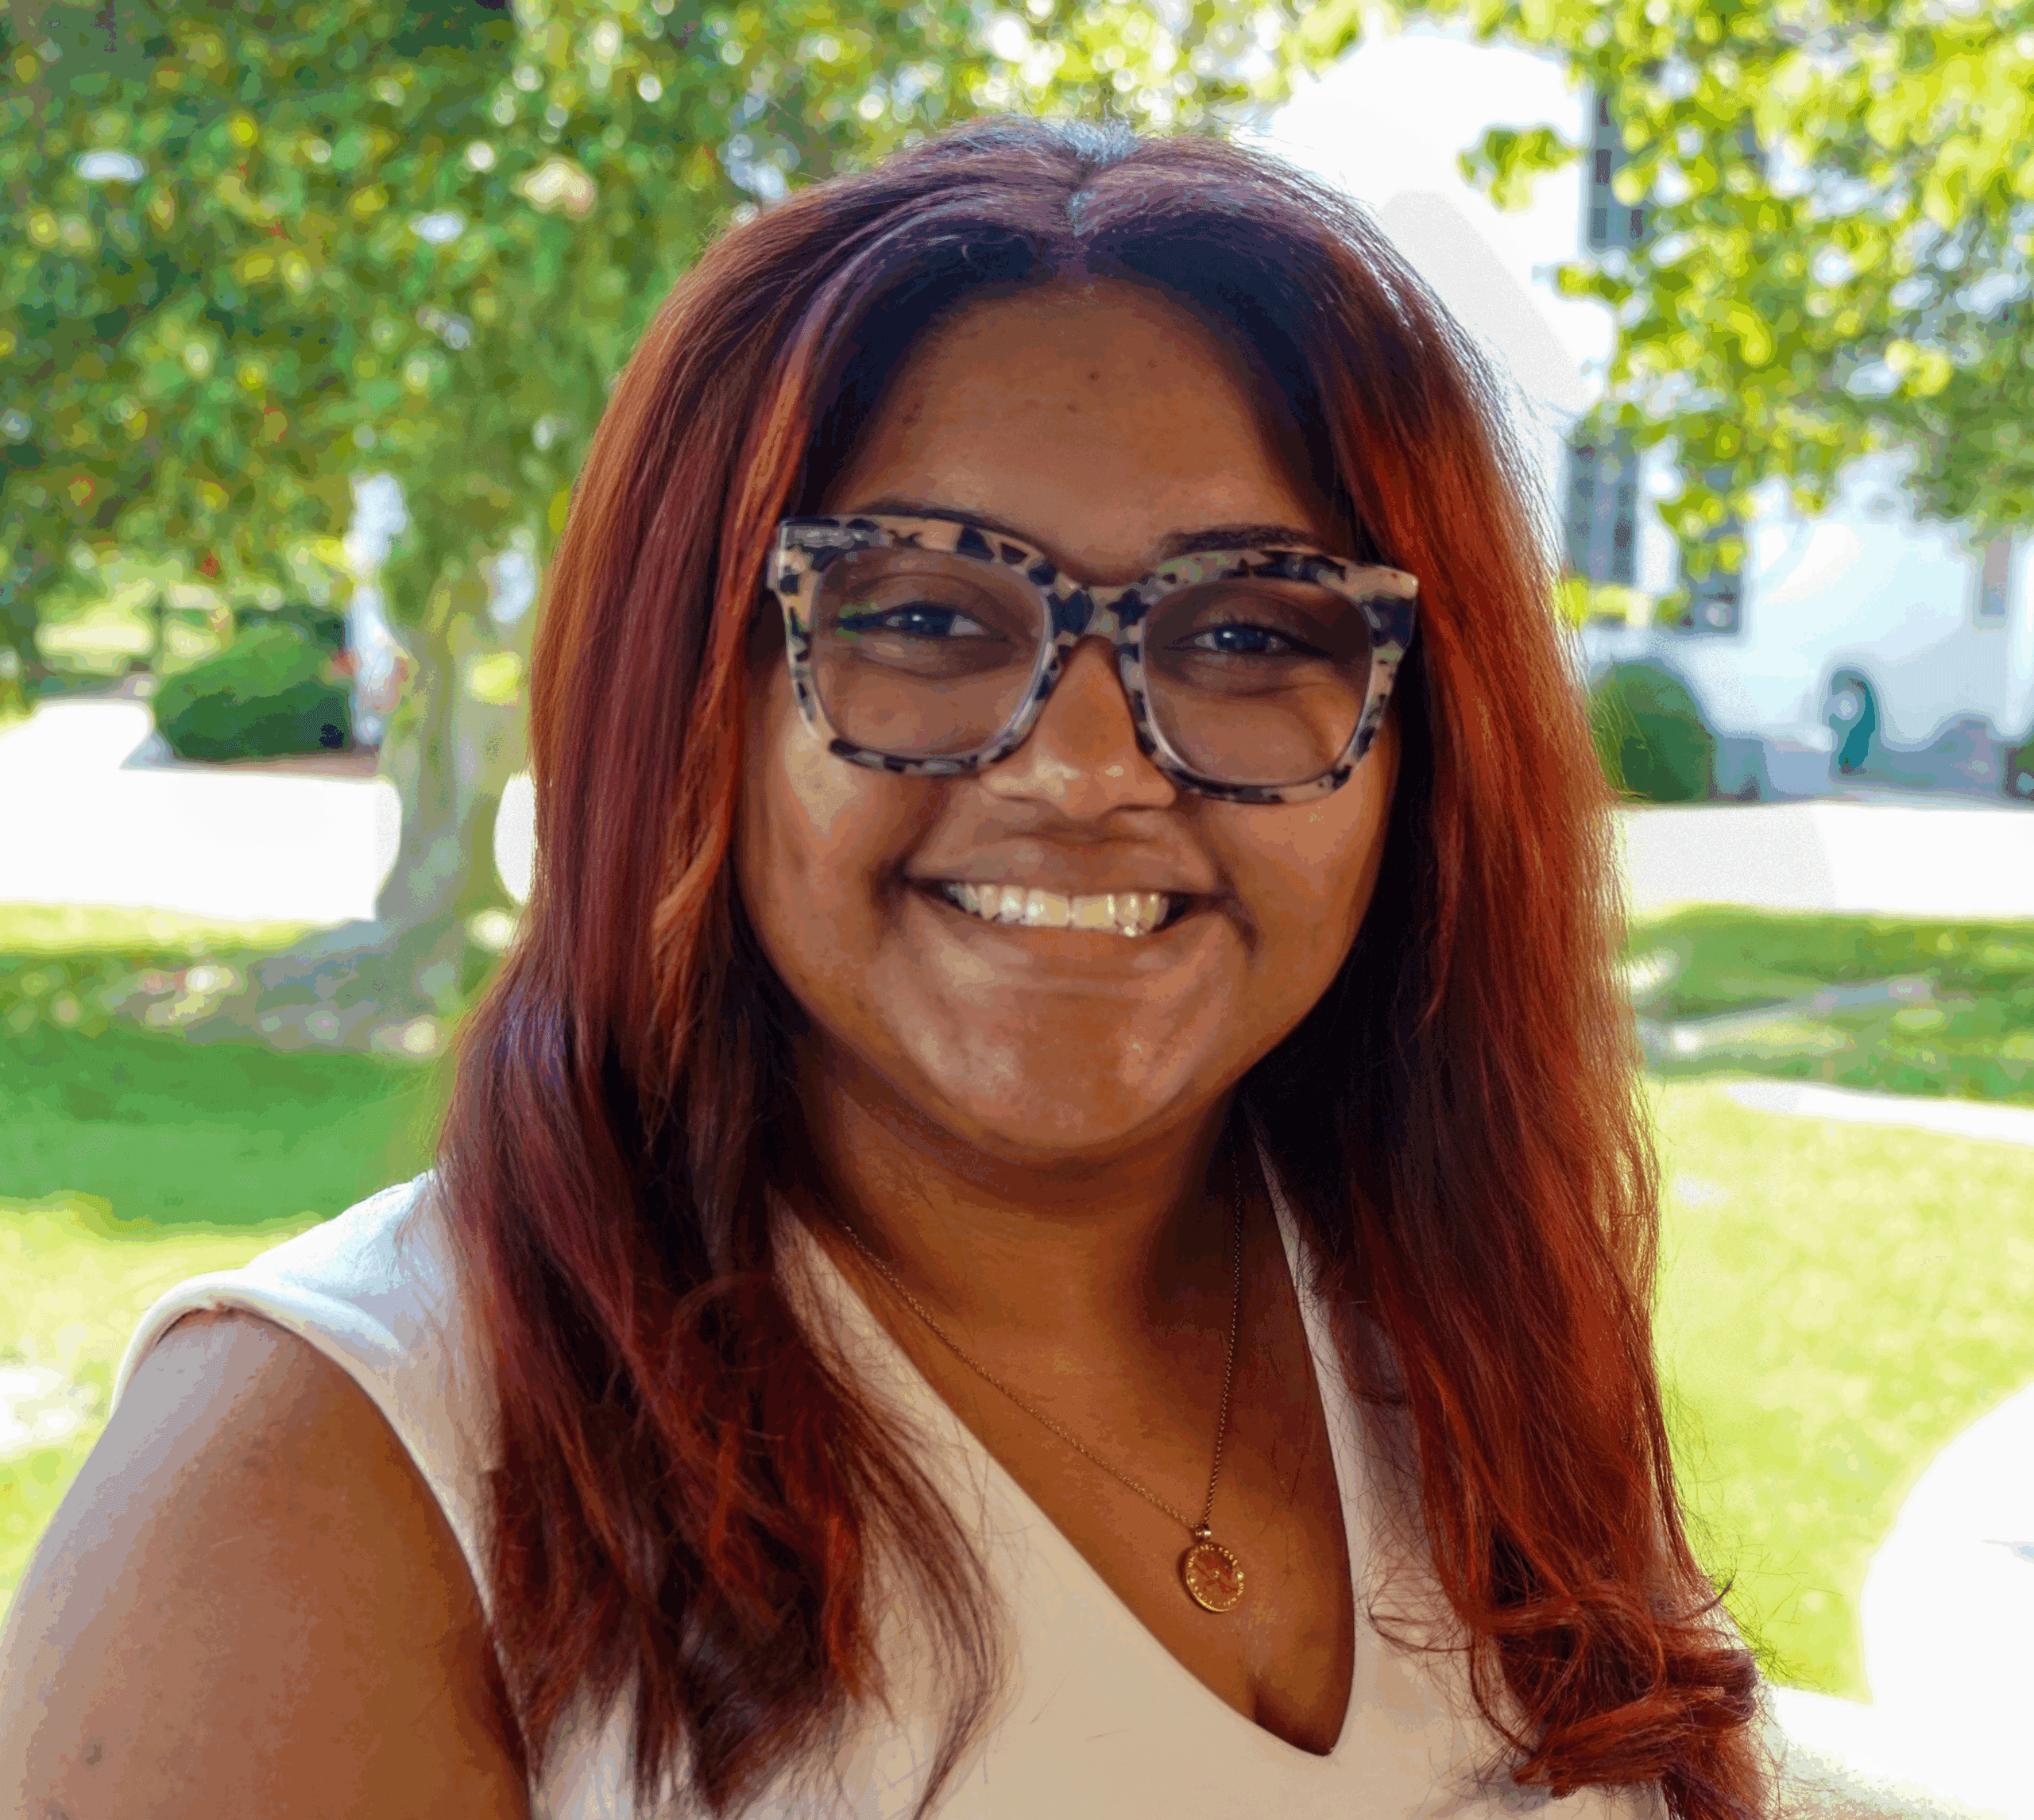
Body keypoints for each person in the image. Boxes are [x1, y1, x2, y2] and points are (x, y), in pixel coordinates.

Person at [0, 114, 1924, 1820]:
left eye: (1252, 634)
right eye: (920, 609)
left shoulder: (1460, 1319)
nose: (1087, 766)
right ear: (696, 698)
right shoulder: (324, 1477)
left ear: (1420, 745)